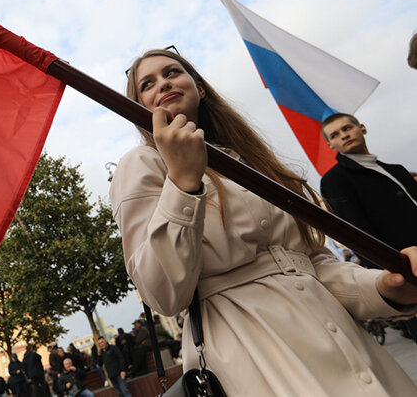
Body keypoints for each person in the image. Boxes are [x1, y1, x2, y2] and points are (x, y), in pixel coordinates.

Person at [109, 47, 417, 396]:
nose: (163, 83)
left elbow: (312, 265)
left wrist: (385, 287)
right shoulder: (141, 164)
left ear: (200, 86)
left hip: (344, 342)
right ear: (139, 108)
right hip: (251, 352)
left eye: (172, 72)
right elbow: (162, 291)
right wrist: (182, 182)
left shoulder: (250, 157)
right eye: (146, 84)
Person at [320, 113, 417, 265]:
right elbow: (358, 236)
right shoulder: (334, 180)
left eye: (347, 128)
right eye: (335, 135)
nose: (344, 136)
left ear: (362, 128)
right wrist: (391, 271)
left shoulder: (397, 170)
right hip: (408, 264)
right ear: (330, 145)